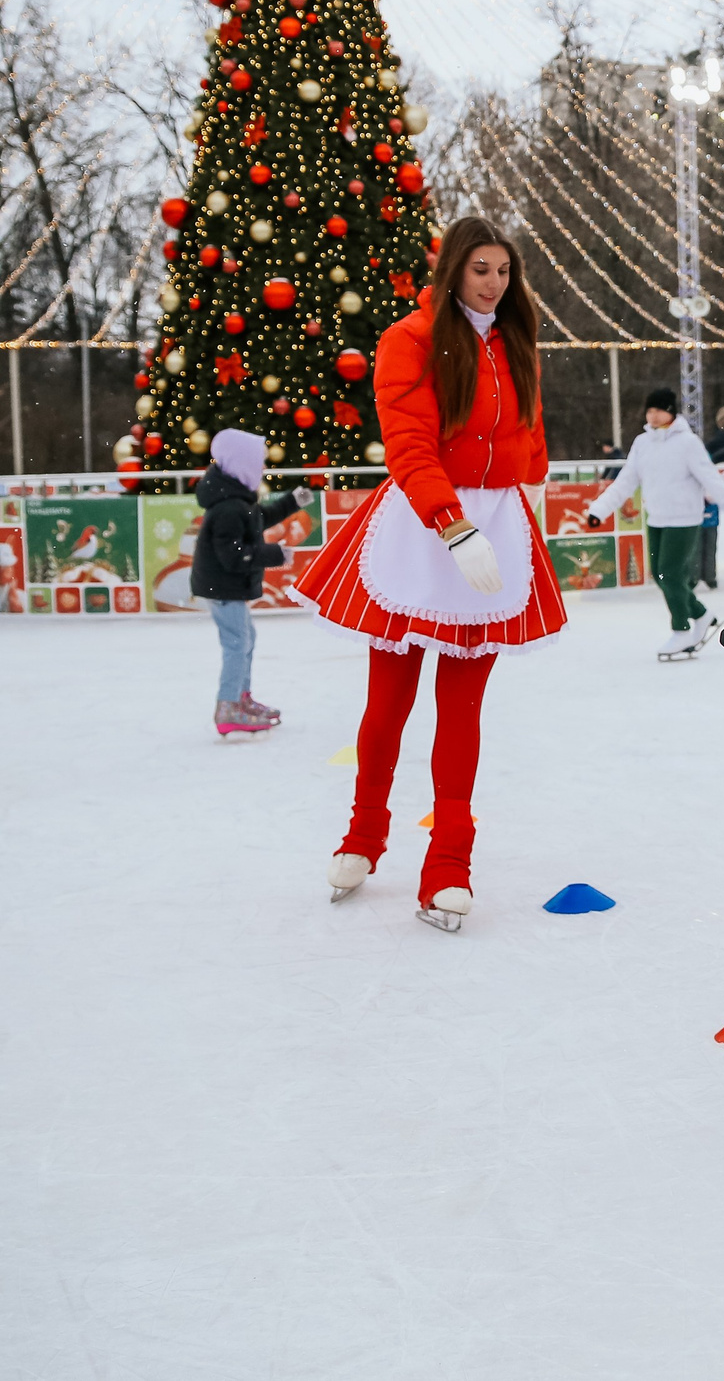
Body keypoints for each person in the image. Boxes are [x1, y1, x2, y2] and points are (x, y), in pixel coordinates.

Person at [290, 216, 568, 930]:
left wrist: (529, 495)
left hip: (497, 529)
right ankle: (363, 834)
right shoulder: (408, 340)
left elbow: (530, 433)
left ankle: (449, 861)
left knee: (463, 711)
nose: (494, 283)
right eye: (481, 269)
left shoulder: (517, 343)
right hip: (424, 528)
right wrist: (452, 523)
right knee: (388, 702)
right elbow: (408, 442)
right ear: (452, 271)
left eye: (504, 270)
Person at [584, 386, 724, 658]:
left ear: (670, 412)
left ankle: (682, 631)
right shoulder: (642, 443)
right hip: (657, 518)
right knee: (662, 577)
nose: (652, 415)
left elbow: (712, 480)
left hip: (684, 520)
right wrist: (599, 510)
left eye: (657, 409)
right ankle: (701, 615)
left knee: (671, 575)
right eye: (649, 410)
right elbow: (625, 481)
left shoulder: (688, 443)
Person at [190, 427, 314, 737]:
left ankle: (240, 699)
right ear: (241, 465)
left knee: (246, 639)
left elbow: (261, 518)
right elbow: (233, 555)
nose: (264, 468)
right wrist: (275, 554)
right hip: (222, 587)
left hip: (227, 586)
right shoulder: (227, 508)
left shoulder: (236, 498)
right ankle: (228, 706)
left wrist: (292, 501)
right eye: (259, 462)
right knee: (237, 643)